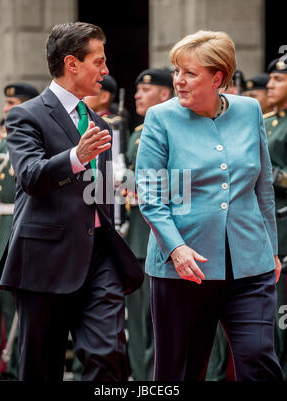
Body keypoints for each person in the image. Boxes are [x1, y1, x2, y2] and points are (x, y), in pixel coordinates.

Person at [0, 21, 143, 382]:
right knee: (41, 365)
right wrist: (75, 156)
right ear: (72, 64)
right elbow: (29, 177)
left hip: (99, 257)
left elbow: (101, 195)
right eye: (99, 62)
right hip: (46, 256)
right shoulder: (25, 115)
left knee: (107, 356)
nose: (106, 72)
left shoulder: (100, 125)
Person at [136, 30, 283, 381]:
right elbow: (151, 196)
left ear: (218, 77)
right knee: (180, 371)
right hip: (184, 269)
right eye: (176, 71)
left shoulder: (249, 111)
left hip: (251, 265)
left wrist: (272, 250)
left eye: (189, 73)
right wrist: (176, 248)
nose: (179, 81)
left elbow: (262, 187)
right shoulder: (160, 118)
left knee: (259, 359)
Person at [0, 84, 39, 380]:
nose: (6, 109)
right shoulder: (5, 142)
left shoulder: (25, 138)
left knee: (16, 309)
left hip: (18, 225)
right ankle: (3, 364)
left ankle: (15, 367)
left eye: (11, 102)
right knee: (0, 307)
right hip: (2, 226)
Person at [125, 68, 173, 381]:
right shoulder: (136, 132)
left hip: (159, 235)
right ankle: (141, 378)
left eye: (146, 90)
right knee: (138, 322)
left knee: (160, 320)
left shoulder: (171, 126)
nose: (137, 95)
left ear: (164, 95)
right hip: (136, 236)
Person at [264, 57, 287, 379]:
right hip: (269, 229)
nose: (270, 84)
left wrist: (273, 174)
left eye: (279, 79)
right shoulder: (268, 121)